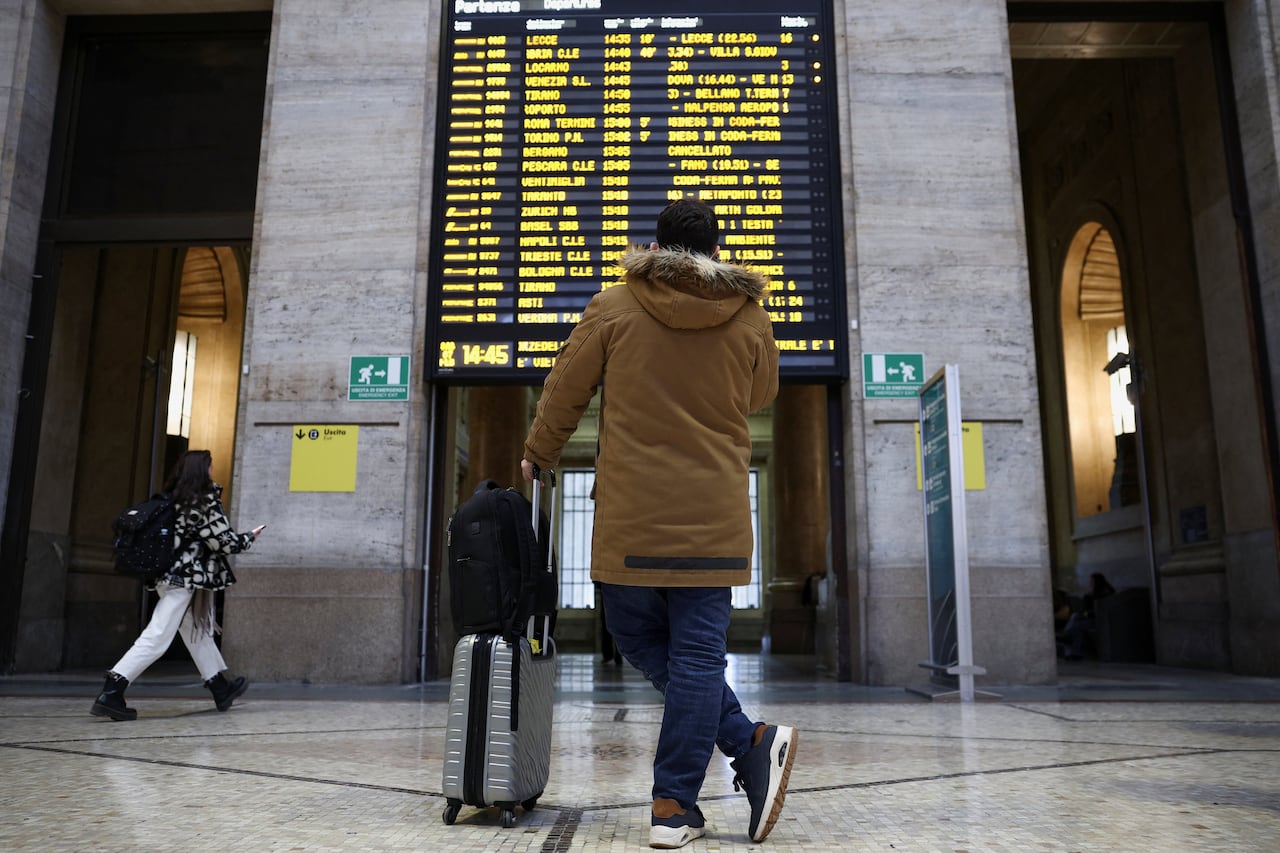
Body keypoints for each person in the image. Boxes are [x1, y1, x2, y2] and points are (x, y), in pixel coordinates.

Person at [520, 198, 793, 848]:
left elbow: (566, 386)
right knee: (698, 656)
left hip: (632, 518)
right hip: (717, 519)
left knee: (636, 636)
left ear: (653, 246)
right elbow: (761, 395)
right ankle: (732, 755)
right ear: (717, 253)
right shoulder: (750, 316)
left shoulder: (614, 305)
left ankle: (684, 793)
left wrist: (538, 452)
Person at [91, 450, 263, 721]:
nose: (211, 471)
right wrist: (250, 537)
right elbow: (223, 543)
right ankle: (112, 689)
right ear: (200, 471)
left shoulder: (174, 499)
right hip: (184, 579)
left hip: (167, 576)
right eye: (209, 467)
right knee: (157, 636)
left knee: (197, 631)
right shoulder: (204, 500)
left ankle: (220, 687)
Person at [1059, 572, 1116, 660]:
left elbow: (1099, 610)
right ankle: (1073, 650)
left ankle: (1067, 639)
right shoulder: (1093, 593)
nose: (1090, 583)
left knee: (1077, 625)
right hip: (1091, 617)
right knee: (1075, 618)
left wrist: (1087, 613)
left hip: (1100, 620)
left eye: (1092, 581)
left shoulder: (1105, 593)